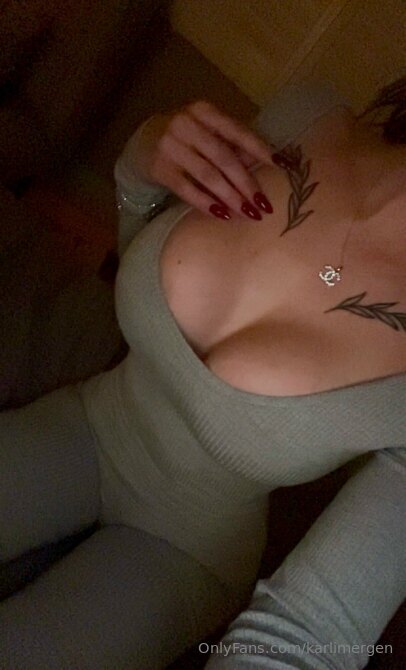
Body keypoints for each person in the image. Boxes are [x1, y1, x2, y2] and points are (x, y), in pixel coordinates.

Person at [0, 77, 405, 669]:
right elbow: (138, 261)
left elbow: (306, 636)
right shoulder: (307, 111)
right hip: (83, 424)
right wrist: (141, 162)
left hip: (183, 551)